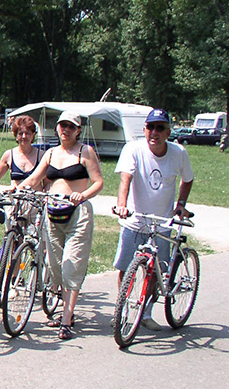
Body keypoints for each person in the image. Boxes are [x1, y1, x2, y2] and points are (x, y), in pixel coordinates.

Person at [18, 111, 104, 340]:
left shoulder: (85, 152)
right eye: (61, 126)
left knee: (70, 266)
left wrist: (83, 195)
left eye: (70, 126)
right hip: (52, 212)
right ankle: (63, 308)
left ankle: (67, 318)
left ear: (78, 130)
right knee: (53, 265)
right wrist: (17, 189)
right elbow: (35, 178)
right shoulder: (51, 153)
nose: (65, 130)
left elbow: (98, 182)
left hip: (78, 213)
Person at [112, 108, 193, 331]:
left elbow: (187, 179)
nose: (154, 132)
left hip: (163, 222)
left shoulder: (178, 153)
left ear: (168, 132)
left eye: (160, 128)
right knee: (125, 269)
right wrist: (122, 205)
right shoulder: (134, 149)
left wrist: (181, 205)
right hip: (135, 220)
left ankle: (146, 313)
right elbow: (125, 180)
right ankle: (124, 311)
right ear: (145, 129)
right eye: (150, 127)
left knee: (157, 271)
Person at [0, 115, 45, 195]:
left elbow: (47, 183)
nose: (24, 136)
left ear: (33, 135)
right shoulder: (9, 155)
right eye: (20, 133)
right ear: (16, 136)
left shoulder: (41, 156)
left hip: (35, 202)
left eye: (27, 133)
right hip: (15, 200)